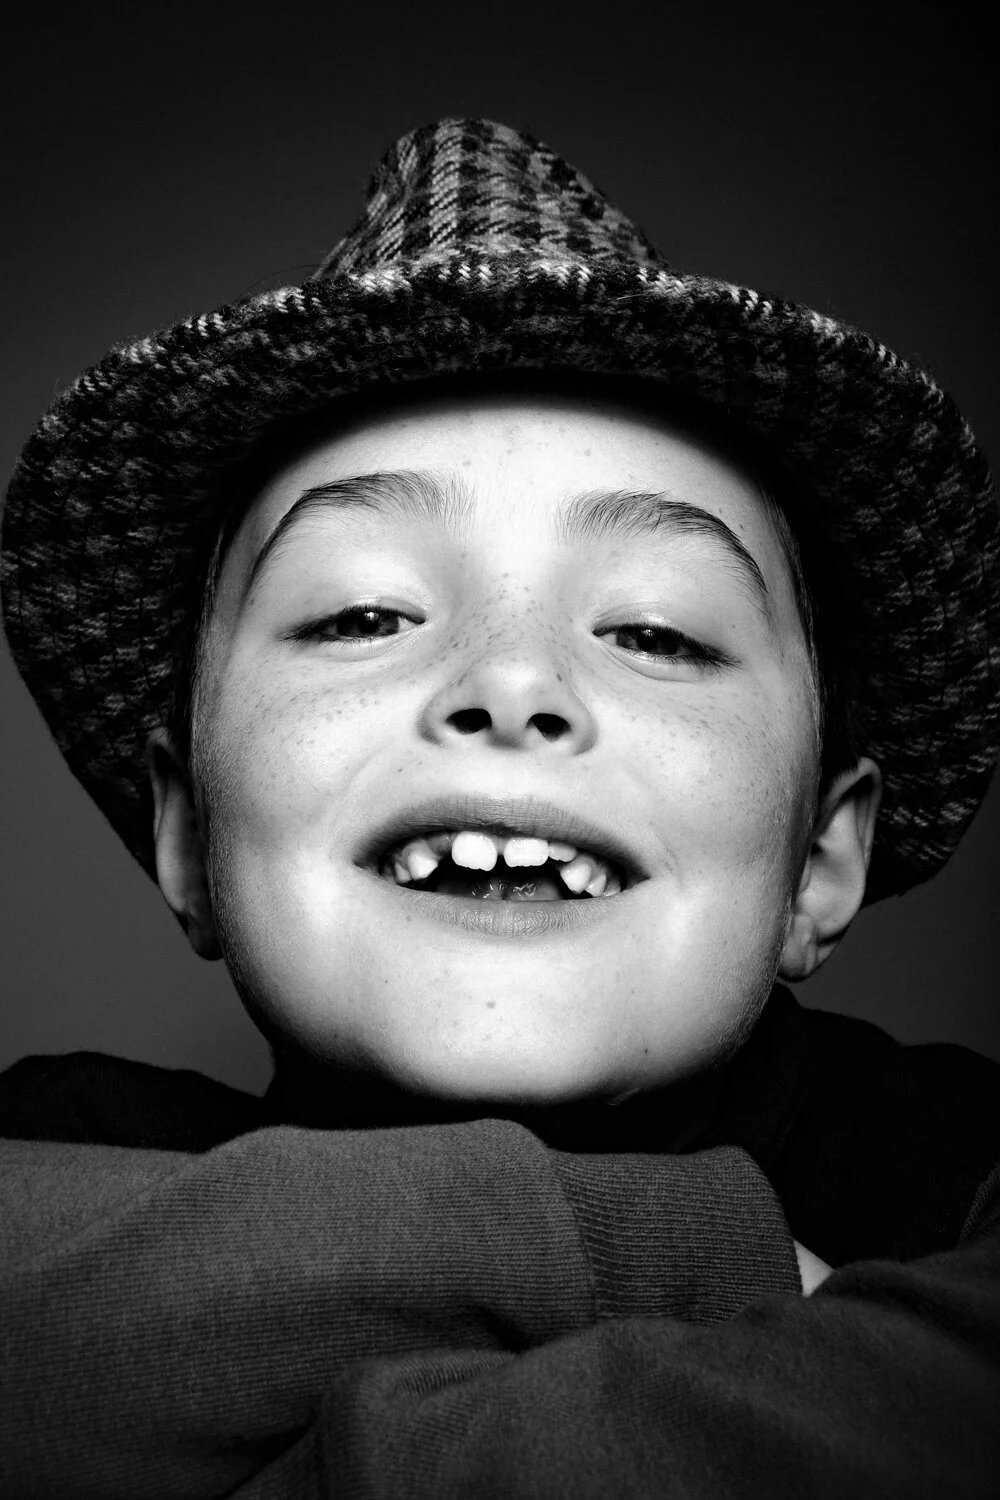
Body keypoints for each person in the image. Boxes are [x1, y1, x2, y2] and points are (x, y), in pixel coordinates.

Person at [1, 117, 998, 1498]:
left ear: (821, 859)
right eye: (361, 612)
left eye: (657, 633)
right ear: (184, 835)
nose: (514, 683)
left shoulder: (958, 1164)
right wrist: (679, 1260)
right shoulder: (70, 1156)